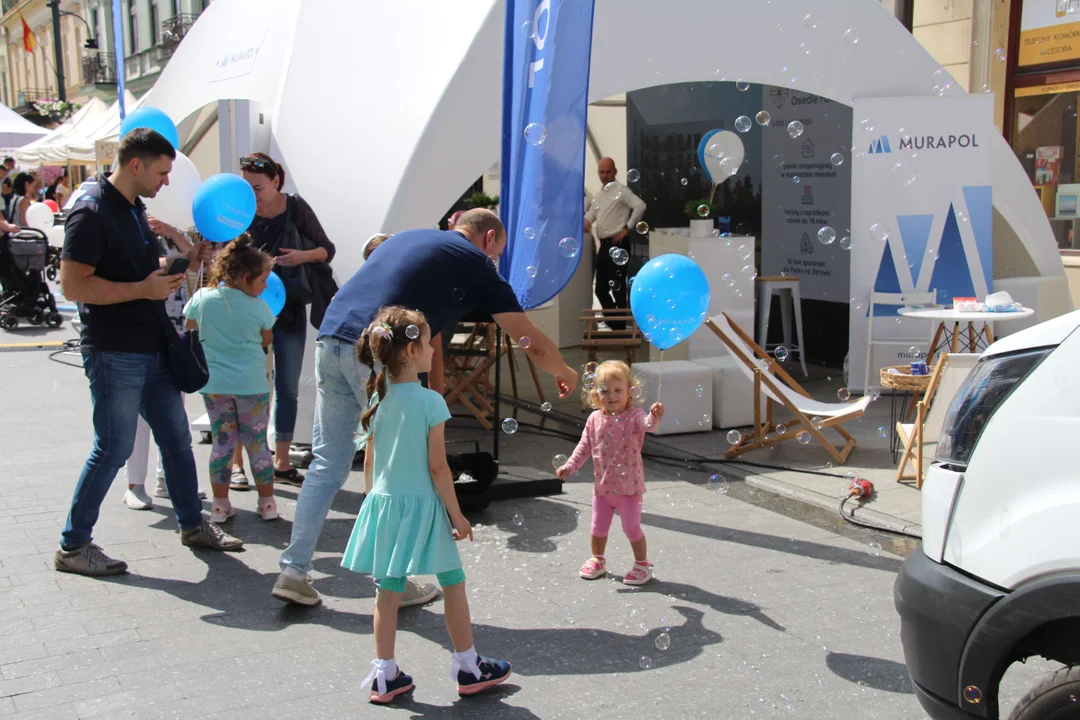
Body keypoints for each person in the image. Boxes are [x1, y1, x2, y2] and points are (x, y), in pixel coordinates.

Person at [271, 208, 579, 606]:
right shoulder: (473, 262)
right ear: (488, 239)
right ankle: (393, 582)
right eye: (497, 254)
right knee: (402, 472)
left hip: (331, 338)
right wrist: (565, 370)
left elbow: (425, 334)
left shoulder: (408, 238)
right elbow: (530, 341)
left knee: (329, 462)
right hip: (376, 353)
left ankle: (294, 570)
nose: (494, 264)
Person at [56, 128, 243, 577]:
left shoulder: (136, 209)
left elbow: (131, 270)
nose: (165, 182)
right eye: (161, 172)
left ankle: (193, 524)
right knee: (113, 448)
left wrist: (169, 268)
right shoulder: (92, 212)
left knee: (177, 441)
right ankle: (73, 545)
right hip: (114, 350)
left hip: (153, 344)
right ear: (135, 165)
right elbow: (73, 285)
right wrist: (144, 287)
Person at [343, 306, 512, 704]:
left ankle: (385, 674)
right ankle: (469, 665)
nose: (437, 348)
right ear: (413, 350)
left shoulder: (377, 398)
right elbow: (438, 468)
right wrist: (458, 515)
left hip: (384, 505)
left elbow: (369, 461)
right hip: (423, 506)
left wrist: (372, 504)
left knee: (388, 590)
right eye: (431, 340)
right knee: (452, 580)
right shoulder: (431, 401)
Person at [238, 152, 336, 488]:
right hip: (249, 308)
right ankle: (239, 462)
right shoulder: (240, 207)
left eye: (258, 187)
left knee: (287, 388)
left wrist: (300, 257)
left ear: (276, 181)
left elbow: (327, 249)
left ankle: (281, 460)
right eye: (246, 186)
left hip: (289, 306)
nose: (253, 194)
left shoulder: (295, 207)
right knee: (245, 387)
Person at [185, 237, 280, 522]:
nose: (266, 287)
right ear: (246, 277)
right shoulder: (259, 307)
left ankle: (220, 504)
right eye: (263, 280)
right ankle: (267, 502)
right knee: (257, 443)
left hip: (214, 385)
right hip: (252, 384)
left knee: (222, 443)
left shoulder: (201, 298)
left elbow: (190, 329)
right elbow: (267, 337)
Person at [122, 219, 207, 511]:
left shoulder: (174, 235)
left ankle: (166, 481)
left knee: (174, 415)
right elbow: (145, 267)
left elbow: (196, 264)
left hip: (174, 336)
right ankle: (134, 484)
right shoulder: (130, 231)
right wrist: (177, 258)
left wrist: (172, 233)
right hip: (141, 335)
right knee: (140, 419)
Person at [555, 360, 664, 585]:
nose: (611, 395)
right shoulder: (594, 419)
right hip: (603, 488)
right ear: (595, 394)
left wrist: (654, 415)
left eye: (618, 390)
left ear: (629, 392)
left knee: (631, 528)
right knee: (597, 528)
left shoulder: (634, 416)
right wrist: (569, 466)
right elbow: (584, 447)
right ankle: (598, 559)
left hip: (629, 488)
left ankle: (642, 564)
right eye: (604, 390)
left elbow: (648, 425)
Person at [584, 158, 646, 330]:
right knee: (601, 289)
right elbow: (591, 214)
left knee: (618, 288)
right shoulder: (600, 194)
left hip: (617, 244)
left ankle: (619, 325)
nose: (605, 175)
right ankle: (614, 322)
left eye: (608, 172)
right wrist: (585, 222)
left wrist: (626, 228)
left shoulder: (621, 191)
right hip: (605, 245)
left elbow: (640, 206)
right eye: (601, 172)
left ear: (615, 172)